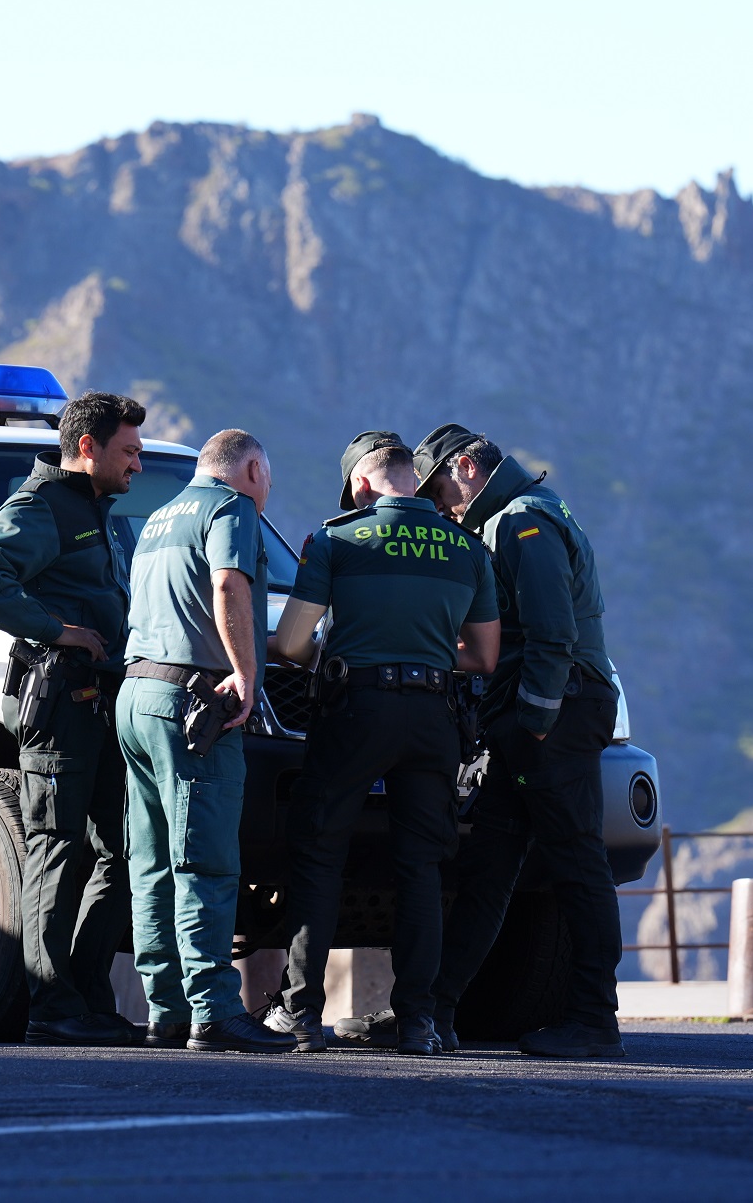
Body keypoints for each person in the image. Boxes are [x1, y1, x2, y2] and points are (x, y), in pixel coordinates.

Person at [263, 434, 499, 1055]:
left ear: (362, 485)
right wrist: (419, 648)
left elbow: (288, 645)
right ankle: (419, 1021)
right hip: (434, 719)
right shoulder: (467, 548)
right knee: (420, 867)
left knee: (319, 856)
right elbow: (483, 656)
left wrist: (338, 655)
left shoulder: (335, 539)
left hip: (354, 711)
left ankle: (300, 1015)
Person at [410, 423, 625, 1059]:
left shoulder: (520, 521)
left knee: (577, 860)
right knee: (489, 868)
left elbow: (552, 632)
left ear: (468, 466)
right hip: (532, 719)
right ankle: (432, 1011)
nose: (442, 502)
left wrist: (532, 721)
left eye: (441, 485)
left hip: (552, 714)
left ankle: (593, 1020)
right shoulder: (517, 515)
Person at [0, 391, 145, 1047]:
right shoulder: (42, 507)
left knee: (117, 852)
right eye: (129, 452)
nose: (138, 465)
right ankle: (50, 1003)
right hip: (61, 704)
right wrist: (56, 630)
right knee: (57, 848)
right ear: (88, 448)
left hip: (103, 705)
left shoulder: (92, 507)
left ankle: (89, 997)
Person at [116, 428, 296, 1053]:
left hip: (137, 695)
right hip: (195, 706)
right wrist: (245, 676)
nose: (265, 491)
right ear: (251, 468)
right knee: (205, 860)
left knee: (152, 862)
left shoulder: (160, 516)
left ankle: (166, 1010)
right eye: (266, 479)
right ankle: (214, 1010)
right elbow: (227, 586)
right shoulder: (231, 509)